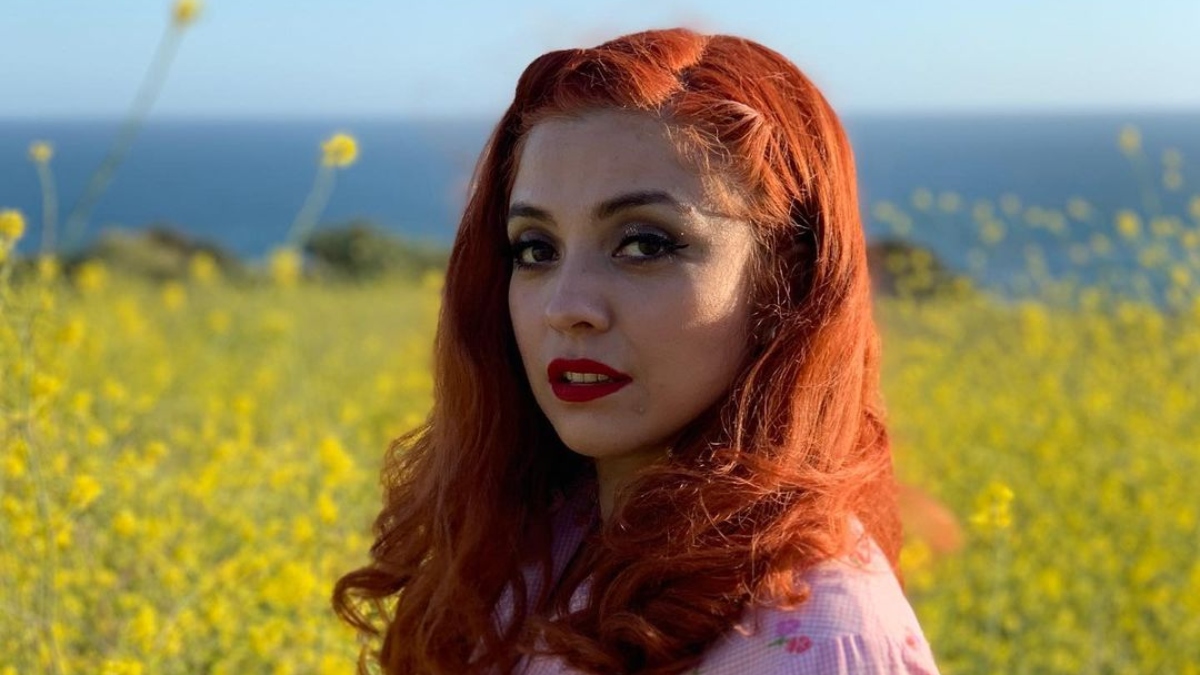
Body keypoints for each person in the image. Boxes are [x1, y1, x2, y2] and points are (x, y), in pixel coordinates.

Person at [333, 27, 941, 675]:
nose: (566, 305)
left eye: (645, 244)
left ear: (784, 281)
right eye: (536, 249)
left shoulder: (819, 637)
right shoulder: (517, 549)